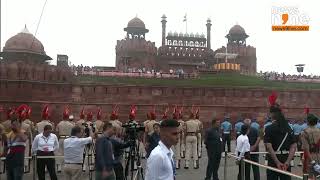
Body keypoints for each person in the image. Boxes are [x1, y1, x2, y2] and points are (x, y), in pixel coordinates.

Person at [264, 92, 296, 180]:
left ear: (272, 114)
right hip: (286, 158)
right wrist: (287, 162)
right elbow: (293, 146)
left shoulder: (268, 128)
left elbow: (269, 146)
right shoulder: (289, 127)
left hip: (273, 159)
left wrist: (277, 162)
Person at [5, 111, 28, 180]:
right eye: (12, 124)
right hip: (9, 159)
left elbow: (24, 139)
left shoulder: (23, 132)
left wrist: (18, 129)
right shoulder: (9, 134)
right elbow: (6, 147)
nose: (13, 126)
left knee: (17, 177)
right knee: (9, 177)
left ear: (20, 124)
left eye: (15, 124)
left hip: (18, 160)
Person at [300, 113, 320, 178]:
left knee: (308, 177)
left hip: (309, 157)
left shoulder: (305, 132)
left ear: (308, 121)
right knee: (318, 176)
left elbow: (306, 148)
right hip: (319, 155)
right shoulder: (319, 131)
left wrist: (312, 161)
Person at [56, 106, 75, 172]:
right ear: (67, 117)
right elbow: (73, 134)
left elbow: (57, 133)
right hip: (68, 139)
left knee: (60, 153)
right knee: (68, 152)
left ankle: (59, 167)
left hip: (61, 138)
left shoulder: (59, 124)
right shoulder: (71, 125)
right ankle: (66, 166)